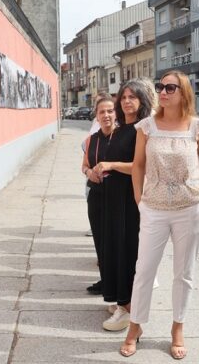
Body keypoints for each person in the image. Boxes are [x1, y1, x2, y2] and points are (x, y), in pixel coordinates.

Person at [119, 71, 199, 359]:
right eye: (161, 86)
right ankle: (135, 326)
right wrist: (139, 199)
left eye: (171, 88)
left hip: (189, 208)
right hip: (154, 208)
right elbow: (138, 165)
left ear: (184, 92)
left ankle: (177, 327)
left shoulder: (197, 127)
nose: (163, 92)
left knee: (184, 273)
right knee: (144, 269)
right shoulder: (146, 127)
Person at [97, 79, 152, 332]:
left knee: (128, 252)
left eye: (133, 97)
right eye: (124, 97)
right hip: (113, 198)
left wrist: (111, 165)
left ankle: (128, 308)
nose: (127, 101)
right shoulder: (119, 129)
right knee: (114, 250)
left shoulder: (143, 129)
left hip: (131, 199)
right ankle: (120, 300)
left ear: (142, 101)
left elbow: (142, 167)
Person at [81, 93, 116, 297]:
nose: (106, 115)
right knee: (100, 238)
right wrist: (89, 173)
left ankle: (116, 282)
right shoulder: (91, 140)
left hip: (117, 195)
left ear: (116, 113)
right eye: (102, 112)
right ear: (96, 116)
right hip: (96, 194)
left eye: (110, 111)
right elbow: (84, 165)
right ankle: (105, 280)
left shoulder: (123, 137)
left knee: (115, 239)